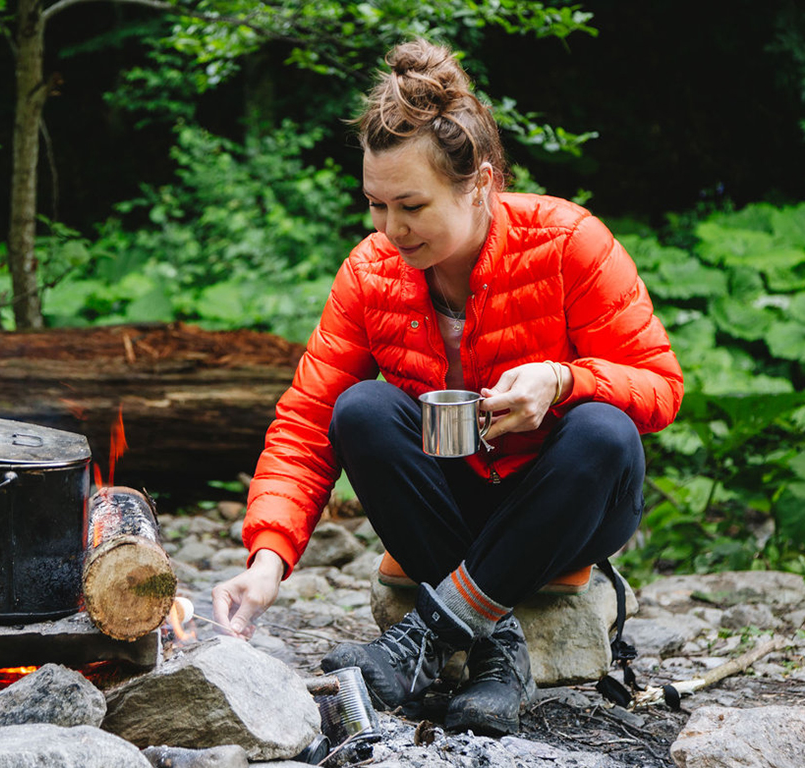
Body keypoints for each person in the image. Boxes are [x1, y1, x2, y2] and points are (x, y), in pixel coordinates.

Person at [212, 38, 683, 735]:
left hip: (566, 501)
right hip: (448, 504)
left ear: (480, 183)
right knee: (360, 409)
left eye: (410, 206)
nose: (390, 229)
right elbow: (308, 420)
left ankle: (429, 636)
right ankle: (498, 653)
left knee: (605, 427)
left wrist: (562, 379)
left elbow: (661, 387)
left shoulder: (567, 241)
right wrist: (268, 560)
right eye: (375, 206)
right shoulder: (371, 272)